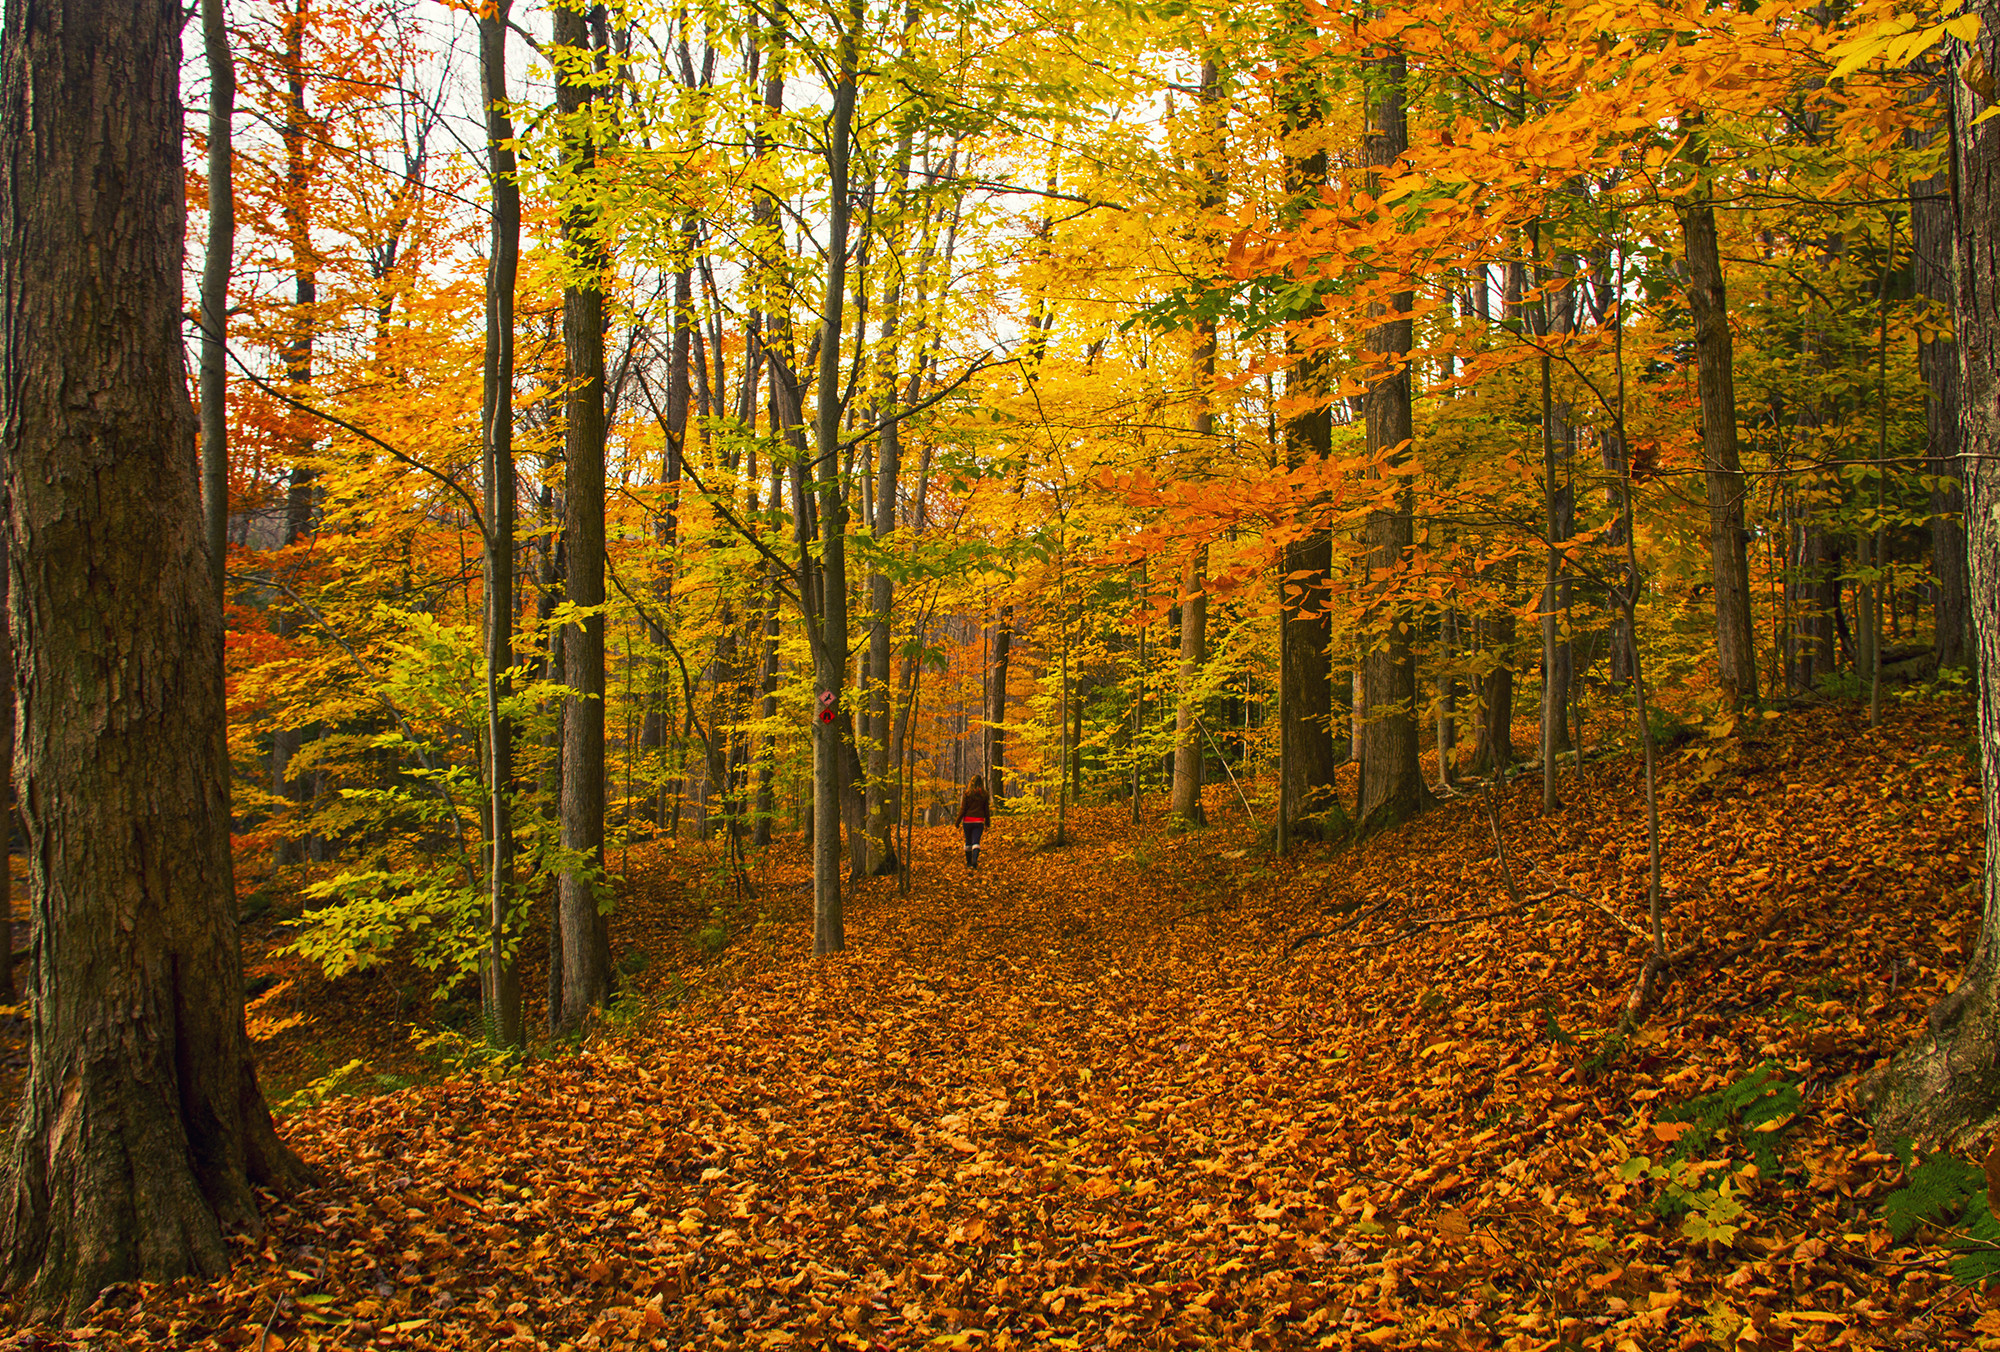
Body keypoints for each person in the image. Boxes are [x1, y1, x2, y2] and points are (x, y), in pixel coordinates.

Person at [957, 776, 990, 871]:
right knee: (976, 841)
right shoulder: (984, 794)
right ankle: (974, 860)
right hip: (979, 821)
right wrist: (987, 822)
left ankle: (969, 863)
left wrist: (958, 821)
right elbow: (986, 810)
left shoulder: (967, 794)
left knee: (968, 841)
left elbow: (963, 809)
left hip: (967, 821)